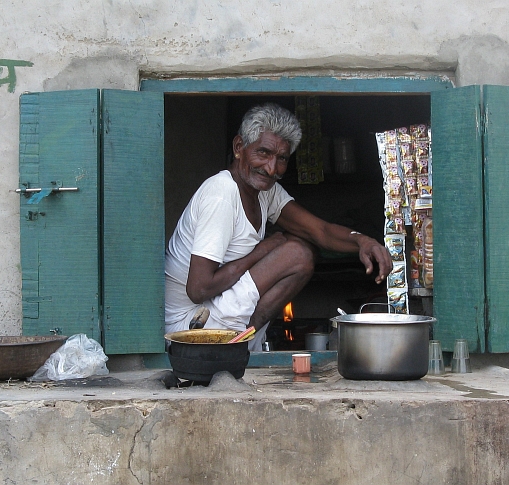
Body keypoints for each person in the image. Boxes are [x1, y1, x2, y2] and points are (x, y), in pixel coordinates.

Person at [164, 103, 392, 351]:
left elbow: (320, 231)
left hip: (215, 311)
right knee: (296, 254)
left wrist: (363, 241)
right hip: (190, 327)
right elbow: (199, 289)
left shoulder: (264, 192)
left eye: (281, 158)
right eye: (263, 153)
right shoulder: (221, 193)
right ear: (239, 147)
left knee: (303, 247)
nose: (272, 169)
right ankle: (231, 347)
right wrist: (262, 251)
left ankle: (239, 344)